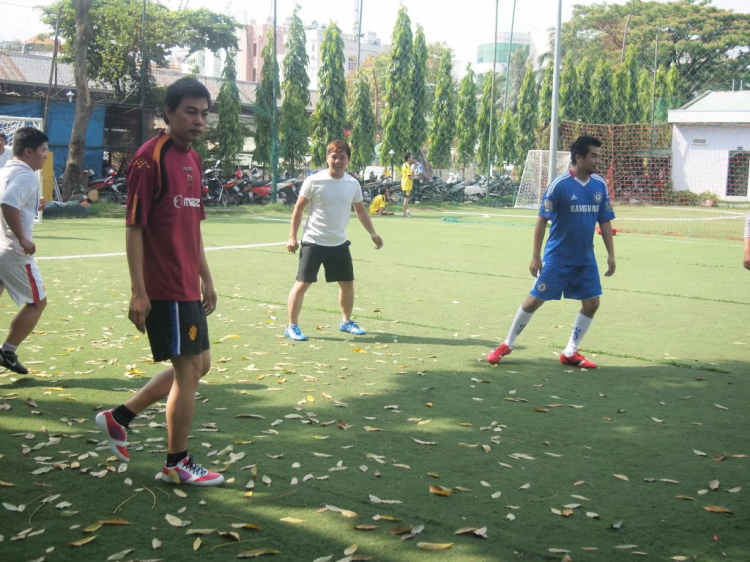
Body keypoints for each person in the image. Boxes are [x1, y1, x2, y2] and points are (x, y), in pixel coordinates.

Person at [95, 77, 223, 486]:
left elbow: (193, 227)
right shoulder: (149, 159)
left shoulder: (194, 159)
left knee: (199, 365)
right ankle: (176, 463)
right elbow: (134, 227)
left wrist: (207, 278)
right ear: (168, 113)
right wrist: (139, 290)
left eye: (204, 113)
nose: (199, 120)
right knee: (187, 373)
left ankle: (120, 417)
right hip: (164, 285)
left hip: (188, 282)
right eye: (190, 111)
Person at [487, 135, 616, 369]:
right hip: (558, 258)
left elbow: (605, 221)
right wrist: (536, 256)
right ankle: (507, 344)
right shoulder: (559, 185)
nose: (598, 160)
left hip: (585, 260)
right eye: (594, 155)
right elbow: (541, 221)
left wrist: (611, 254)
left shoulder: (599, 185)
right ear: (579, 157)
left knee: (592, 304)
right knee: (534, 300)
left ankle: (570, 351)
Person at [285, 140, 384, 342]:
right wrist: (292, 236)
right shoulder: (314, 181)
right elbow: (299, 208)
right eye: (334, 156)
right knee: (302, 283)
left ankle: (346, 322)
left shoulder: (352, 183)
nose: (337, 161)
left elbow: (360, 210)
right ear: (327, 158)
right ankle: (292, 326)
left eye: (342, 157)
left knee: (347, 284)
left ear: (348, 160)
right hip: (313, 241)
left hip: (339, 243)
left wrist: (372, 233)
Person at [0, 127, 49, 375]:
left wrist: (31, 203)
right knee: (38, 302)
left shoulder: (5, 170)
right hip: (12, 252)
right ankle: (7, 351)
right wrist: (22, 238)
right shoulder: (27, 175)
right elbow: (8, 203)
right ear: (28, 151)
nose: (46, 156)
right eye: (43, 150)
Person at [401, 152, 416, 217]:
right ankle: (404, 214)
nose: (412, 157)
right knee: (406, 199)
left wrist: (414, 168)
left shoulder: (406, 165)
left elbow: (410, 174)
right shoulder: (407, 165)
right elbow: (410, 177)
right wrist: (417, 178)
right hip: (406, 184)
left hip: (406, 184)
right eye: (411, 156)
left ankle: (406, 213)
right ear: (408, 158)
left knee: (407, 198)